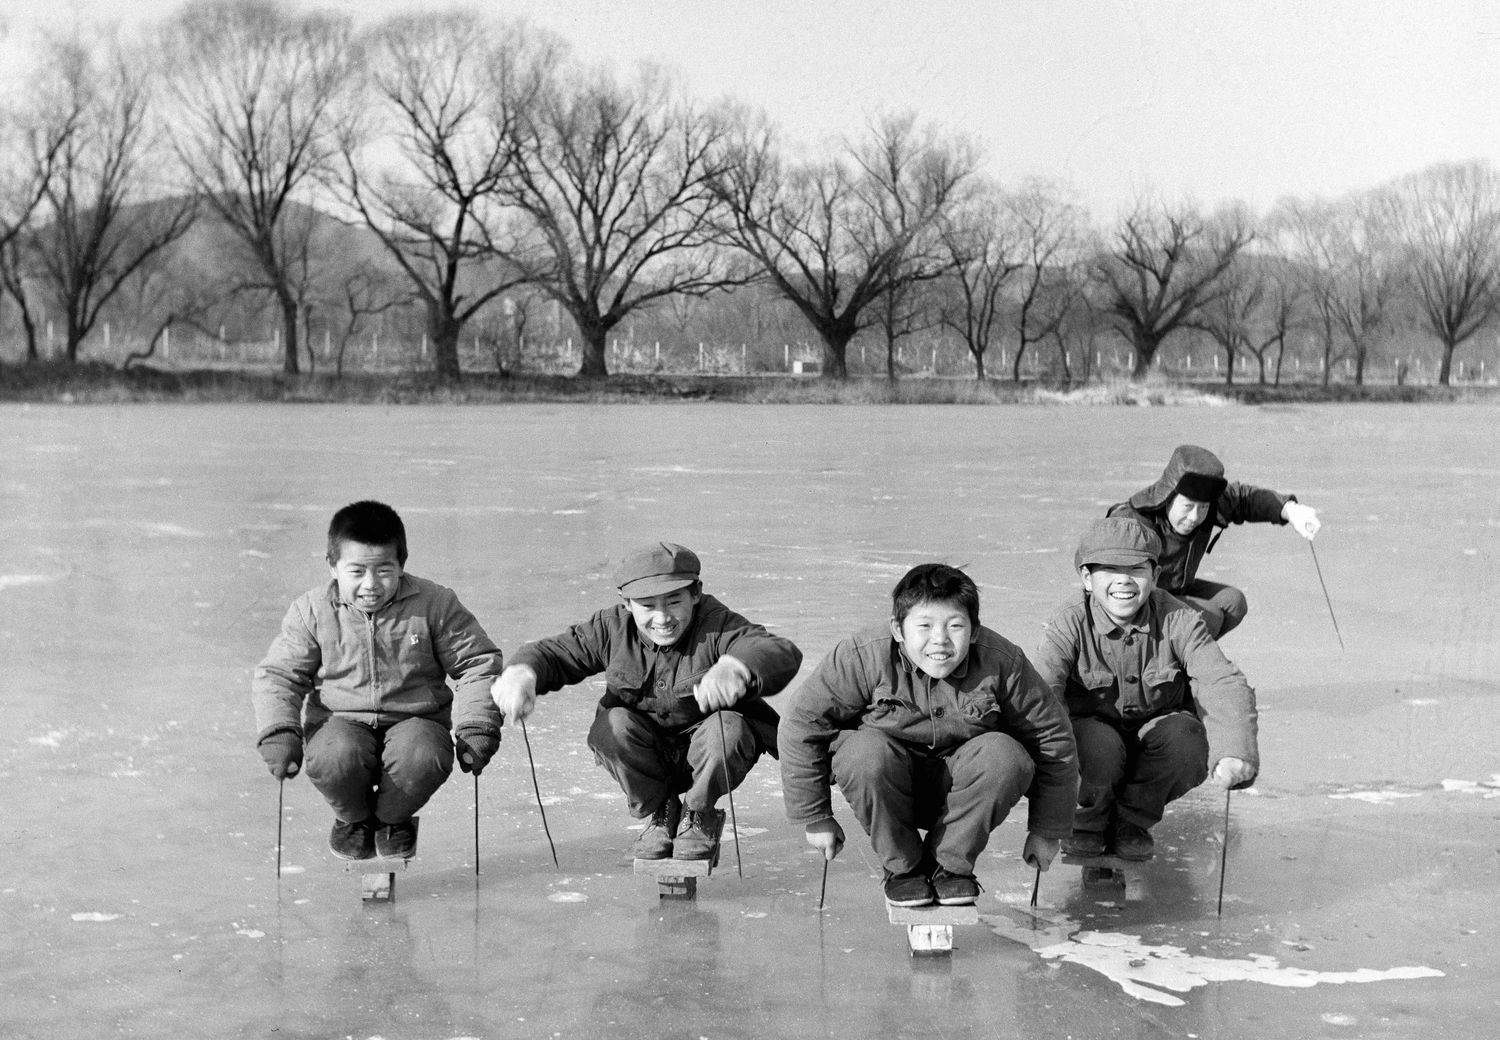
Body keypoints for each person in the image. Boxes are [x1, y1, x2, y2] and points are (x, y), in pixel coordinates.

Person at [779, 563, 1078, 908]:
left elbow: (1053, 738)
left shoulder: (1003, 662)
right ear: (898, 629)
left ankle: (949, 867)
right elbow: (802, 725)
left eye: (955, 626)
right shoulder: (862, 656)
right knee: (862, 752)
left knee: (1005, 756)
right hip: (885, 786)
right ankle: (904, 868)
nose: (940, 640)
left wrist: (1046, 830)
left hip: (963, 793)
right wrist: (816, 816)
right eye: (924, 626)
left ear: (975, 630)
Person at [491, 542, 802, 862]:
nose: (662, 617)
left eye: (674, 600)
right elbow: (553, 653)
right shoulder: (610, 628)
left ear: (695, 594)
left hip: (708, 755)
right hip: (644, 758)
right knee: (613, 725)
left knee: (732, 727)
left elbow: (777, 651)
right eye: (647, 605)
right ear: (627, 603)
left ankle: (698, 813)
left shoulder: (718, 623)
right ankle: (662, 811)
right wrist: (522, 673)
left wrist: (735, 667)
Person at [252, 500, 503, 861]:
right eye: (356, 571)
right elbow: (280, 675)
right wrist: (278, 730)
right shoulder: (312, 611)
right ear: (332, 566)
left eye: (384, 570)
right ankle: (353, 820)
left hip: (416, 720)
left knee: (423, 755)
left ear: (401, 563)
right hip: (340, 721)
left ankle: (392, 820)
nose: (371, 584)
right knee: (334, 756)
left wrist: (478, 724)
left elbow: (477, 663)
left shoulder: (435, 604)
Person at [1032, 516, 1258, 862]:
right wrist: (1051, 786)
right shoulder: (1069, 622)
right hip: (1092, 743)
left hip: (1155, 740)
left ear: (1154, 576)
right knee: (1096, 746)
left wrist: (1234, 750)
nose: (1124, 580)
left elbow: (1220, 680)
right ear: (1087, 579)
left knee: (1188, 739)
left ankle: (1131, 821)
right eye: (1109, 569)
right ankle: (1086, 823)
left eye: (1137, 569)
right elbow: (1044, 692)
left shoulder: (1178, 618)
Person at [1107, 444, 1321, 638]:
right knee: (1207, 618)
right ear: (1168, 496)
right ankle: (1169, 665)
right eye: (1188, 506)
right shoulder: (1132, 521)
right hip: (1136, 604)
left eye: (1203, 507)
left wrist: (1289, 510)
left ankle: (1185, 658)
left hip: (1175, 591)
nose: (1194, 517)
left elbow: (1244, 498)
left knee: (1232, 602)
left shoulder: (1208, 506)